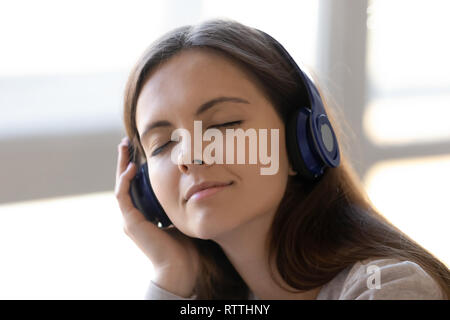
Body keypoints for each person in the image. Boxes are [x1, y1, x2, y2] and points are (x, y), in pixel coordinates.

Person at [114, 18, 449, 300]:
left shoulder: (387, 288)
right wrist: (171, 274)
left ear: (301, 139)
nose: (189, 156)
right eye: (163, 144)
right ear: (145, 189)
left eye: (224, 124)